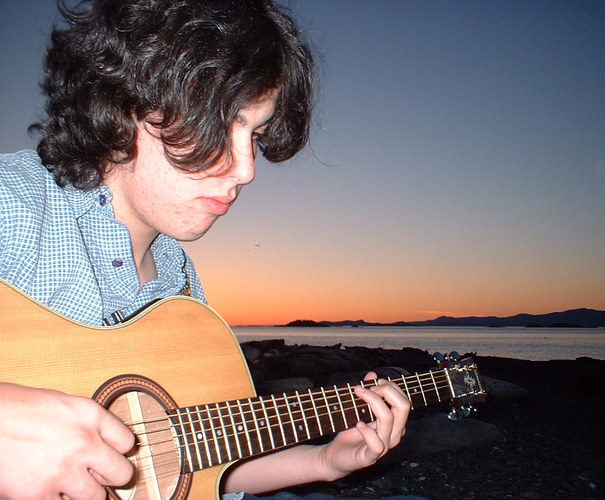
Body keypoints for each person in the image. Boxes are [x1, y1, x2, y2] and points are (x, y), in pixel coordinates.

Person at [0, 1, 413, 499]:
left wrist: (325, 461)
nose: (246, 169)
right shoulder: (14, 207)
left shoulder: (181, 285)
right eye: (223, 120)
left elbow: (193, 465)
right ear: (124, 97)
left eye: (255, 134)